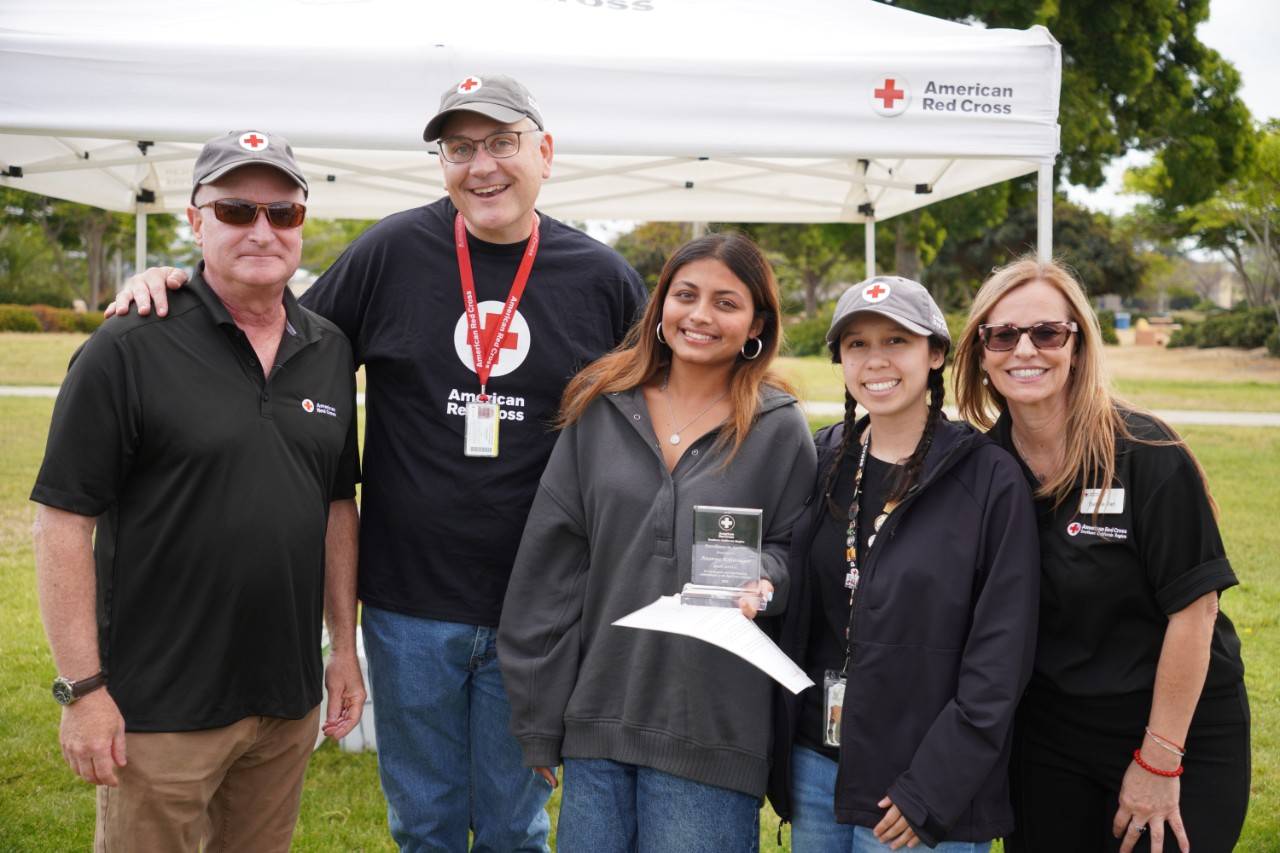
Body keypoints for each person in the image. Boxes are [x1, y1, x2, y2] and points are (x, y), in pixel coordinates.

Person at [110, 75, 647, 852]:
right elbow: (275, 333)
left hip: (539, 607)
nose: (482, 165)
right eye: (460, 148)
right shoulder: (392, 251)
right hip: (407, 605)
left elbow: (659, 404)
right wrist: (180, 284)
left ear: (545, 153)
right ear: (442, 164)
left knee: (514, 826)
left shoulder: (600, 278)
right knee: (424, 824)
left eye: (502, 143)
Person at [30, 130, 364, 852]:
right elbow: (61, 524)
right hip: (158, 711)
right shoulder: (129, 345)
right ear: (195, 219)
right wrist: (83, 692)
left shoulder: (330, 349)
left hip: (285, 703)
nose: (262, 230)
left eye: (283, 213)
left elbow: (338, 505)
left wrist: (343, 649)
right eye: (236, 210)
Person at [497, 233, 817, 852]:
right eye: (686, 295)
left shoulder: (779, 428)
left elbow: (796, 550)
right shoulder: (601, 409)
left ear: (757, 323)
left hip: (713, 731)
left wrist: (767, 578)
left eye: (726, 302)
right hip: (599, 720)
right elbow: (552, 571)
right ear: (660, 306)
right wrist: (539, 719)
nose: (700, 316)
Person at [952, 258, 1250, 853]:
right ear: (981, 355)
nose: (1024, 350)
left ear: (1078, 345)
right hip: (1048, 736)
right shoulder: (977, 471)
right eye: (1003, 335)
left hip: (1174, 726)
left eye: (1047, 332)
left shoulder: (1147, 454)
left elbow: (1196, 613)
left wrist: (1159, 761)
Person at [768, 276, 1040, 852]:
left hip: (917, 786)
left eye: (897, 341)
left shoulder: (987, 478)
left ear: (935, 354)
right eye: (857, 345)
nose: (876, 361)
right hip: (816, 766)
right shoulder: (822, 457)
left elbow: (1001, 656)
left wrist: (933, 790)